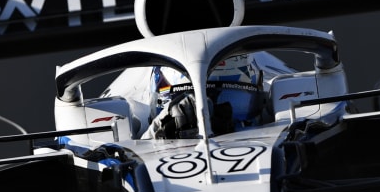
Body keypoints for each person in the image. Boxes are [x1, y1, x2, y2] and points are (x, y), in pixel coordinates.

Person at [106, 51, 293, 139]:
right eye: (188, 108)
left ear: (260, 100)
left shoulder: (282, 114)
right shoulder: (137, 122)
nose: (209, 122)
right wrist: (154, 134)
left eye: (235, 102)